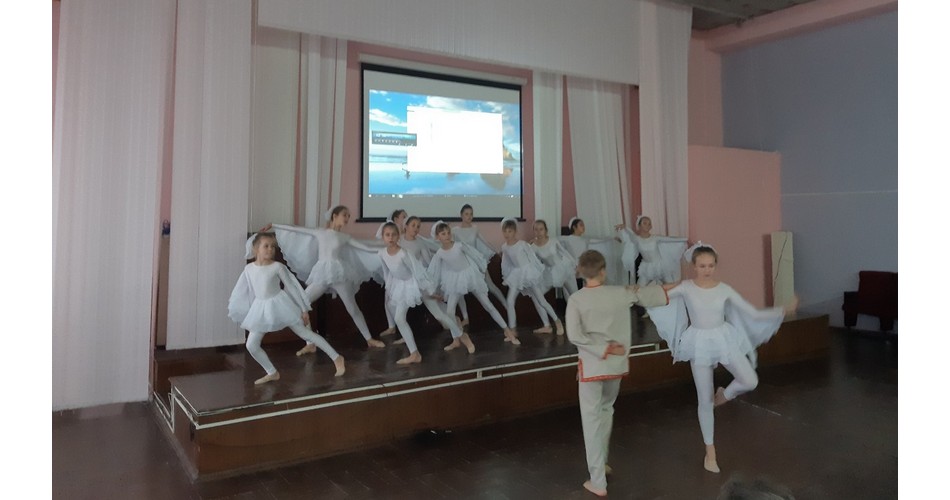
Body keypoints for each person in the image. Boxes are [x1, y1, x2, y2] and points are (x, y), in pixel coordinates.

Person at [646, 243, 798, 474]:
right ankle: (710, 451)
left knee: (750, 380)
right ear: (694, 266)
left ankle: (724, 395)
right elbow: (659, 296)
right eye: (702, 266)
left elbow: (752, 312)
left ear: (715, 265)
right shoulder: (686, 287)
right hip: (698, 343)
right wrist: (632, 294)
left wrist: (782, 310)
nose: (706, 270)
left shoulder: (724, 289)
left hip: (723, 339)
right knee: (704, 400)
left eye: (710, 265)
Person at [565, 249, 669, 497]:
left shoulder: (576, 300)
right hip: (614, 366)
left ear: (581, 272)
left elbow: (575, 336)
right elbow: (649, 295)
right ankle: (601, 464)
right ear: (603, 271)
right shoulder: (619, 293)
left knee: (591, 419)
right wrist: (683, 286)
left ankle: (597, 480)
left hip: (592, 367)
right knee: (606, 410)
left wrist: (601, 349)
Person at [228, 232, 345, 385]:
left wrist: (304, 309)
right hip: (261, 308)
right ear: (256, 249)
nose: (270, 249)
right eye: (266, 246)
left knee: (306, 334)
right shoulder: (249, 269)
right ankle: (272, 372)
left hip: (281, 305)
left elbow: (293, 287)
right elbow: (246, 290)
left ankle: (337, 358)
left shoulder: (277, 267)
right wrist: (248, 311)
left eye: (273, 246)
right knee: (251, 345)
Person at [265, 205, 386, 350]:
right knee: (301, 304)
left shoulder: (344, 237)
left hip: (339, 275)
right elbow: (296, 229)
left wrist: (387, 249)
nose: (347, 218)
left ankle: (369, 339)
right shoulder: (320, 232)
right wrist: (274, 225)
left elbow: (366, 248)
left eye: (348, 216)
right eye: (345, 215)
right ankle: (310, 343)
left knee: (353, 308)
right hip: (322, 274)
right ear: (335, 216)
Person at [378, 222, 475, 361]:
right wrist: (389, 289)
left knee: (439, 315)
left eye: (394, 235)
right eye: (387, 235)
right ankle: (415, 354)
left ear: (398, 236)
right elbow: (387, 273)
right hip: (403, 287)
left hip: (418, 285)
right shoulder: (382, 253)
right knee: (399, 318)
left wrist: (429, 291)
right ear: (383, 237)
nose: (391, 237)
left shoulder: (403, 253)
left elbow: (417, 272)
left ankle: (462, 335)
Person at [428, 221, 518, 344]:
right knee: (449, 311)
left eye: (448, 233)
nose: (447, 235)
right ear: (438, 237)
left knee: (488, 305)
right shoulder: (439, 253)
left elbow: (474, 255)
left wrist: (482, 269)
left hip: (470, 276)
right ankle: (456, 339)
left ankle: (507, 331)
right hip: (456, 280)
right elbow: (435, 271)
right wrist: (432, 290)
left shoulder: (459, 245)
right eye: (443, 234)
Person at [500, 218, 563, 334]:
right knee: (509, 301)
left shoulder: (522, 244)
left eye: (510, 231)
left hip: (529, 274)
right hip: (517, 276)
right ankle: (513, 330)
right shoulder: (504, 247)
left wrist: (537, 273)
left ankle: (557, 321)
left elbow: (533, 259)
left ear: (515, 232)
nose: (507, 234)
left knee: (541, 301)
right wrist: (507, 276)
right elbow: (506, 263)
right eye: (505, 231)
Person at [451, 204, 508, 314]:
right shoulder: (455, 231)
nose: (469, 216)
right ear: (461, 215)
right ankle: (463, 317)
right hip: (463, 264)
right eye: (466, 214)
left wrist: (498, 253)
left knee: (491, 286)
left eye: (471, 214)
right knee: (458, 290)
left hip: (476, 261)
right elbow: (451, 246)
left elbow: (485, 242)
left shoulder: (475, 228)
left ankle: (506, 306)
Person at [616, 215, 688, 286]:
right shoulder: (637, 239)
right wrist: (625, 227)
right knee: (639, 288)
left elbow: (671, 239)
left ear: (651, 227)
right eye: (645, 223)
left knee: (671, 285)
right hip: (647, 268)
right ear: (639, 226)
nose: (647, 225)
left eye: (649, 224)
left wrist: (686, 239)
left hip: (660, 266)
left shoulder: (655, 238)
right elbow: (631, 235)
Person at [530, 219, 579, 301]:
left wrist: (575, 264)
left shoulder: (553, 241)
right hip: (550, 273)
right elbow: (533, 263)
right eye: (536, 229)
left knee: (574, 296)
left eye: (541, 229)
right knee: (537, 296)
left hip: (564, 268)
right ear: (533, 231)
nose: (539, 232)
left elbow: (564, 252)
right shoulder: (533, 247)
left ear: (545, 230)